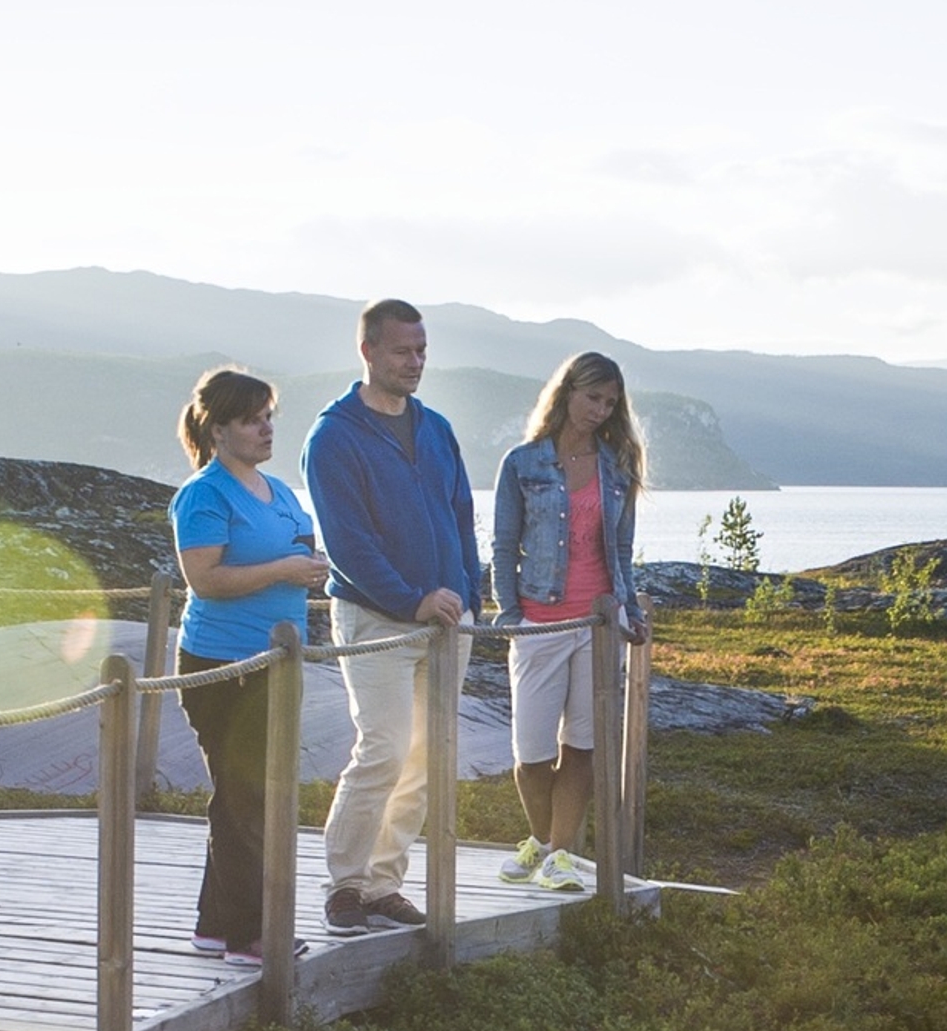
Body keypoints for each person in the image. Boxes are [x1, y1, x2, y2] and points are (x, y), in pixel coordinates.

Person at [300, 297, 481, 936]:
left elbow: (461, 515)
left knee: (426, 760)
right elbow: (348, 543)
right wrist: (412, 600)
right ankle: (344, 887)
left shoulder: (436, 428)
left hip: (446, 623)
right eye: (403, 351)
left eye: (423, 350)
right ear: (368, 351)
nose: (416, 362)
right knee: (382, 749)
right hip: (376, 621)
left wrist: (470, 591)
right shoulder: (333, 437)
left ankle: (383, 885)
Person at [167, 366, 329, 966]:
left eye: (268, 417)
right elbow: (204, 580)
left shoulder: (279, 491)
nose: (265, 429)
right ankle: (252, 936)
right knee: (248, 799)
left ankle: (215, 927)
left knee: (241, 797)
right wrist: (285, 571)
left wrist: (308, 568)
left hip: (273, 662)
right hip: (223, 664)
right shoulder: (204, 495)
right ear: (218, 429)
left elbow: (298, 552)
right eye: (252, 419)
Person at [486, 350, 646, 891]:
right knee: (531, 754)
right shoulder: (522, 463)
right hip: (538, 621)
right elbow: (503, 545)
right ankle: (546, 843)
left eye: (609, 402)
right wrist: (510, 613)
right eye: (591, 397)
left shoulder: (617, 468)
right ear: (567, 393)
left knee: (582, 745)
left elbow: (621, 551)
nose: (599, 410)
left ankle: (555, 857)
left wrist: (633, 612)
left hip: (601, 623)